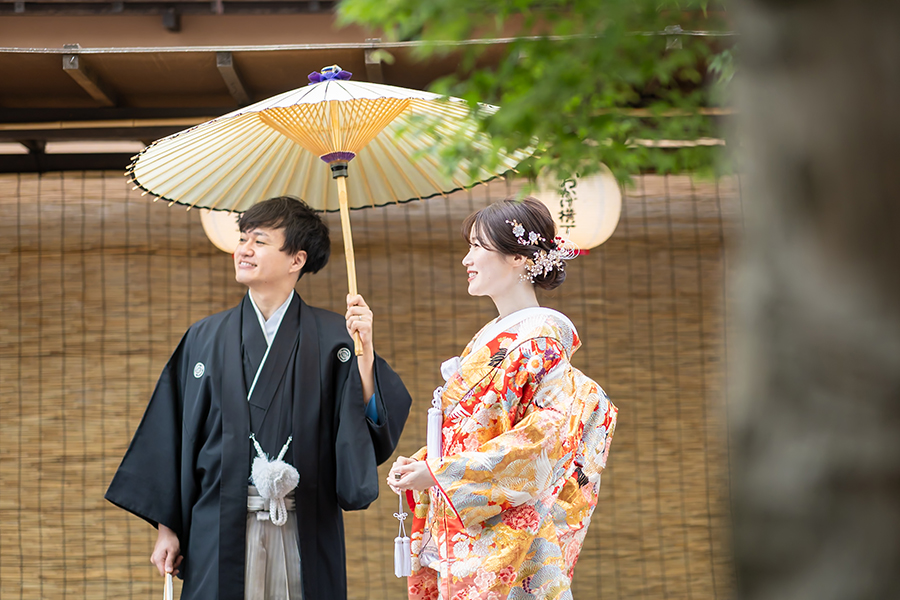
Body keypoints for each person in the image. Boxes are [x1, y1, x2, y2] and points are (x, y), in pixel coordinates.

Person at [106, 196, 412, 600]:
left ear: (296, 260)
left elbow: (366, 424)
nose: (244, 249)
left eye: (260, 241)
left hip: (304, 523)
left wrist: (366, 353)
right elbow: (171, 434)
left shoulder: (337, 337)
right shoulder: (204, 337)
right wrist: (168, 528)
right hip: (217, 526)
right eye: (243, 238)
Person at [388, 197, 617, 600]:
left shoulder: (540, 342)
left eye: (478, 246)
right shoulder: (496, 337)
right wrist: (426, 463)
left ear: (517, 259)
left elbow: (538, 446)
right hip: (470, 528)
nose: (466, 259)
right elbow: (477, 433)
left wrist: (441, 475)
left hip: (510, 537)